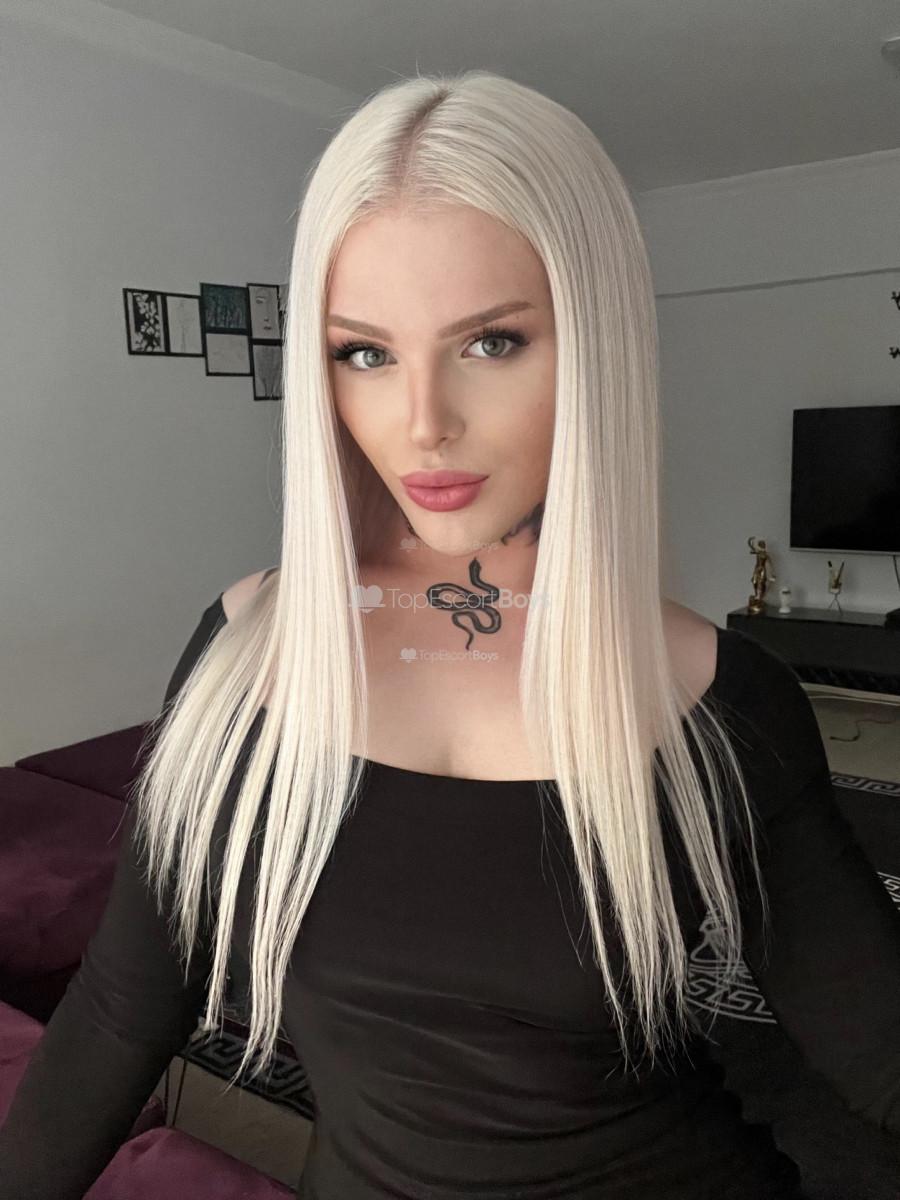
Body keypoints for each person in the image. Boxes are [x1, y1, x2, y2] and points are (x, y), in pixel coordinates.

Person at [1, 68, 899, 1200]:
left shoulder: (715, 698)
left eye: (491, 342)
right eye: (365, 353)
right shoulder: (247, 654)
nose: (422, 421)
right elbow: (123, 1009)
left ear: (595, 345)